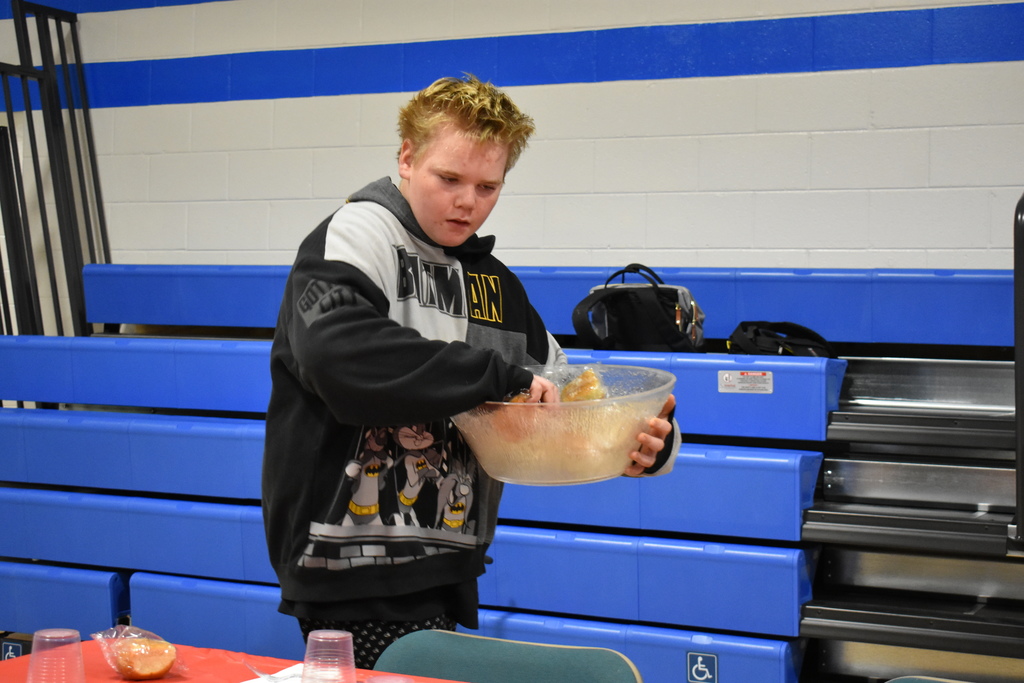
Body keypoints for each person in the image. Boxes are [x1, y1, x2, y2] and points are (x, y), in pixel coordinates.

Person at [261, 74, 679, 669]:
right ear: (406, 158)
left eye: (489, 186)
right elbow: (340, 358)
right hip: (346, 568)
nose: (468, 202)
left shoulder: (497, 285)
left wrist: (644, 443)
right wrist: (495, 375)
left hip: (451, 564)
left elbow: (566, 395)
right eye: (449, 179)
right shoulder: (356, 234)